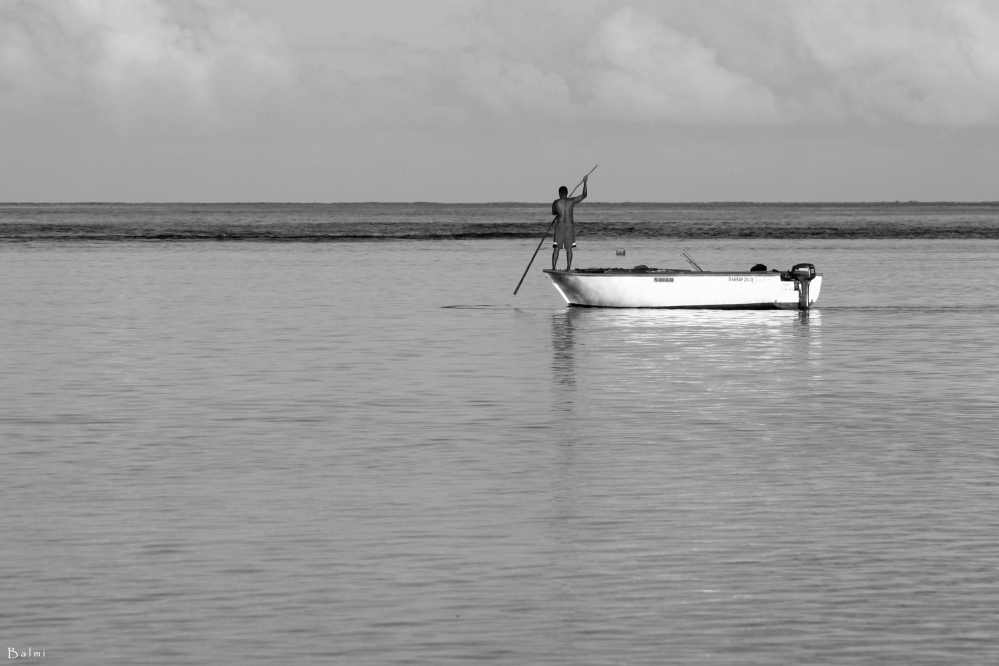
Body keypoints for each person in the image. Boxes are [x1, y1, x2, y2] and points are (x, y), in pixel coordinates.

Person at [551, 176, 587, 270]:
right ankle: (568, 268)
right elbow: (584, 195)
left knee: (556, 248)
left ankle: (554, 268)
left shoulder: (555, 202)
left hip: (560, 226)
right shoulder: (572, 201)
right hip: (569, 226)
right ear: (567, 193)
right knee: (569, 249)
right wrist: (585, 182)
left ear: (559, 193)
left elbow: (554, 212)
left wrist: (560, 211)